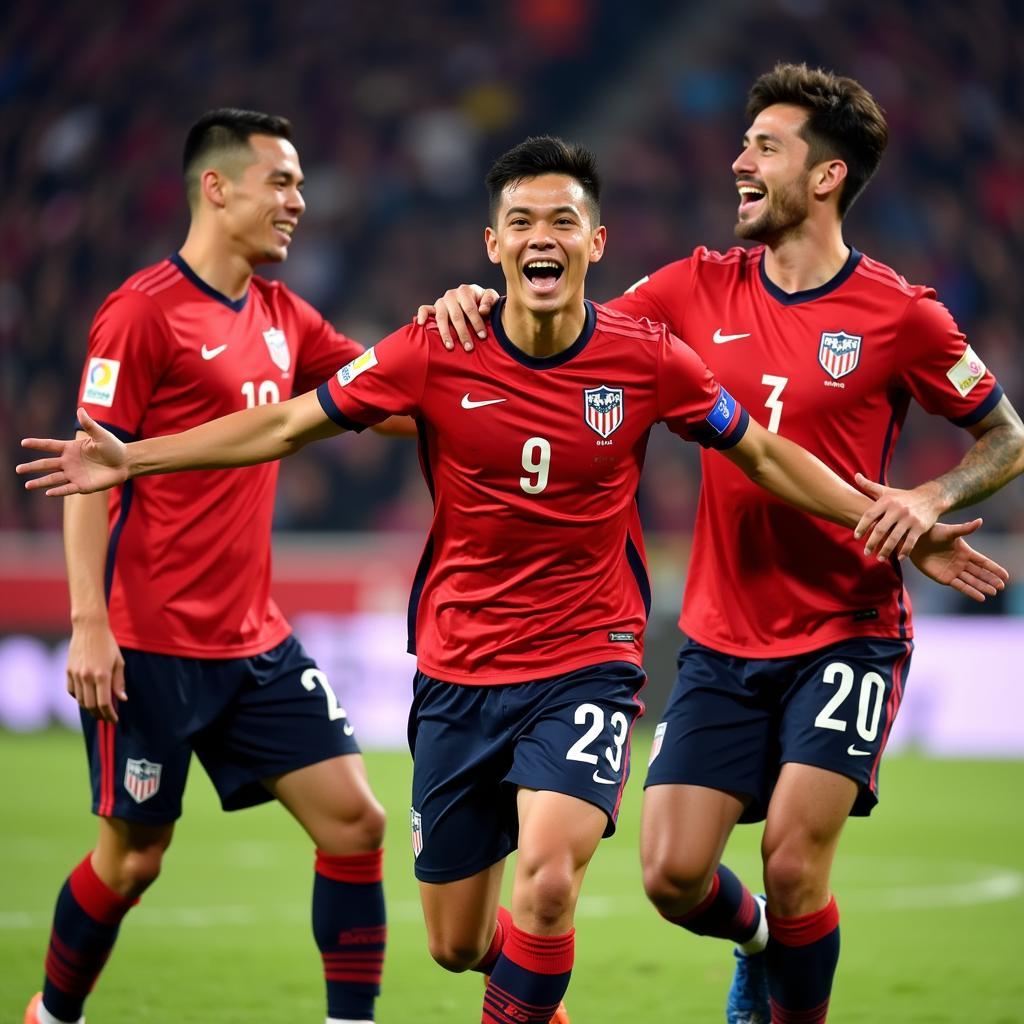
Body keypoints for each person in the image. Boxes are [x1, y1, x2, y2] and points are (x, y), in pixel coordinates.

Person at [18, 135, 1008, 1024]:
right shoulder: (431, 349)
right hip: (457, 671)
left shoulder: (647, 358)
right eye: (522, 221)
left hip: (587, 660)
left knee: (545, 883)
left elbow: (761, 453)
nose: (543, 235)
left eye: (562, 220)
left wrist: (887, 521)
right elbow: (284, 423)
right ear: (492, 248)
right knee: (457, 941)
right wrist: (133, 460)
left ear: (596, 242)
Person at [420, 65, 1024, 1024]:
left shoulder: (903, 313)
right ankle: (755, 947)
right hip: (717, 633)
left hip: (847, 627)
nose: (738, 162)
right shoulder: (690, 289)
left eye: (765, 148)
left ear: (824, 178)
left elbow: (1007, 435)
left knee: (791, 860)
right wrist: (467, 301)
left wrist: (929, 497)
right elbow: (561, 330)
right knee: (670, 874)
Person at [21, 109, 395, 1024]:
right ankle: (50, 1016)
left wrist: (477, 359)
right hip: (148, 646)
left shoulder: (284, 315)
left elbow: (384, 396)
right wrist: (88, 624)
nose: (299, 203)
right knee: (134, 857)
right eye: (282, 182)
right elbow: (89, 474)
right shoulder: (142, 311)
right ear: (216, 187)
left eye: (301, 185)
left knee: (356, 823)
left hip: (254, 642)